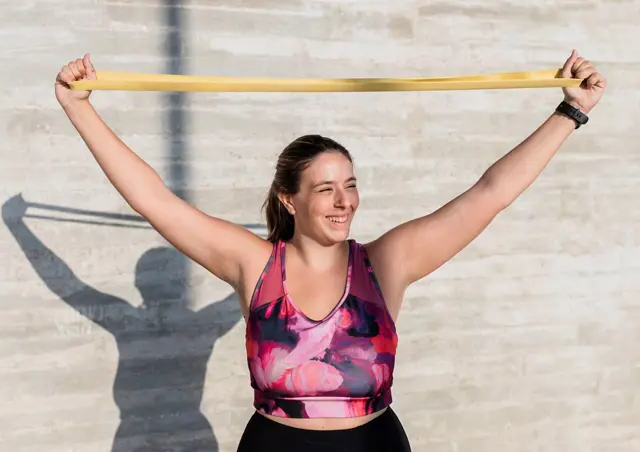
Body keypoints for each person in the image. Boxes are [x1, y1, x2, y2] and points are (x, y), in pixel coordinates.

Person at [54, 49, 606, 452]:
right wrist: (79, 108)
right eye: (325, 189)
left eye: (350, 184)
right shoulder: (254, 263)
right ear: (288, 200)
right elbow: (155, 200)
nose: (344, 202)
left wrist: (570, 113)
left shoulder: (386, 263)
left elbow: (490, 194)